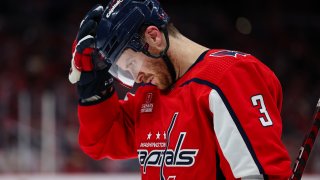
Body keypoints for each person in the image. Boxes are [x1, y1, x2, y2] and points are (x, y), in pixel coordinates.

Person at [68, 0, 292, 179]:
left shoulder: (230, 75)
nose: (136, 78)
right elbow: (101, 140)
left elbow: (259, 174)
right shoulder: (150, 95)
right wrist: (93, 87)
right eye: (124, 72)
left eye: (131, 65)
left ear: (153, 37)